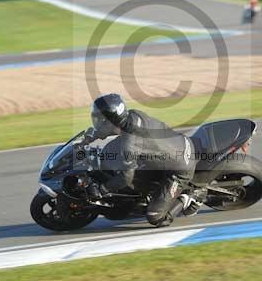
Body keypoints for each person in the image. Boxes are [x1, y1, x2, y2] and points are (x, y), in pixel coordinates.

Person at [85, 93, 202, 227]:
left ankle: (189, 197)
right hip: (177, 143)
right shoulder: (132, 115)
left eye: (101, 119)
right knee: (112, 157)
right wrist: (91, 137)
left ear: (111, 118)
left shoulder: (130, 141)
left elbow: (125, 178)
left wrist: (102, 189)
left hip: (181, 168)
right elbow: (112, 131)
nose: (98, 122)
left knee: (155, 217)